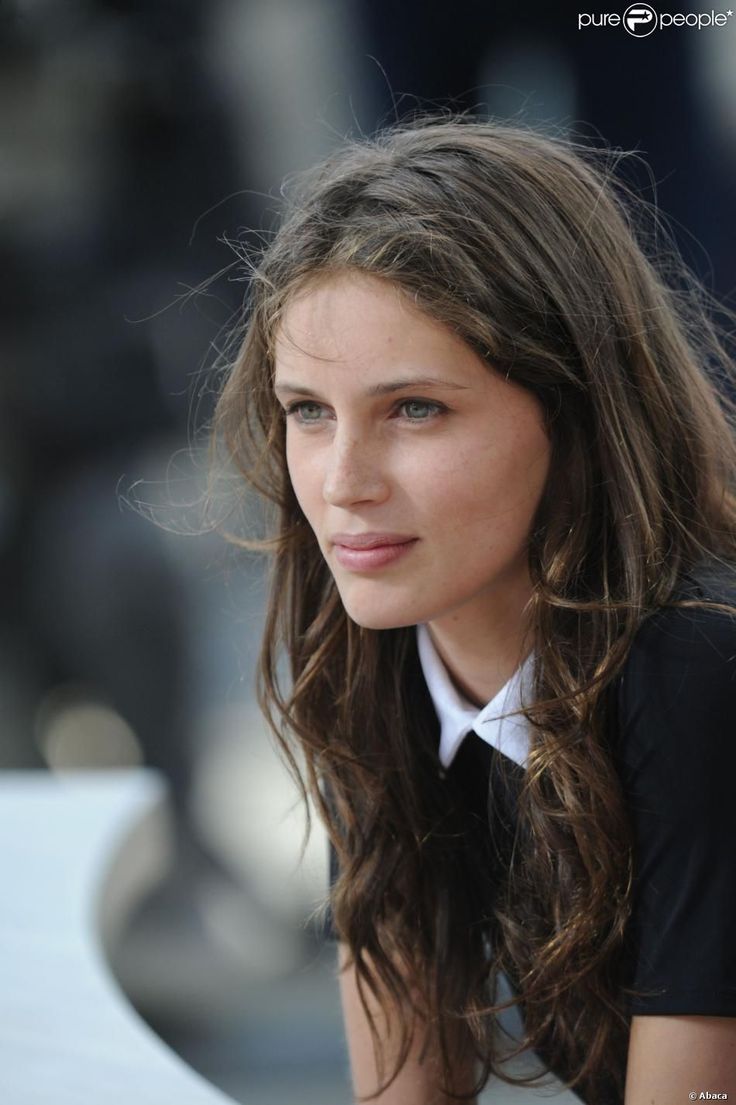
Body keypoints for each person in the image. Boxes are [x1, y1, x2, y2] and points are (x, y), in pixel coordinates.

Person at [210, 116, 736, 1104]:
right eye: (308, 412)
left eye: (415, 408)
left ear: (571, 413)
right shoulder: (377, 657)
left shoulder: (698, 665)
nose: (343, 483)